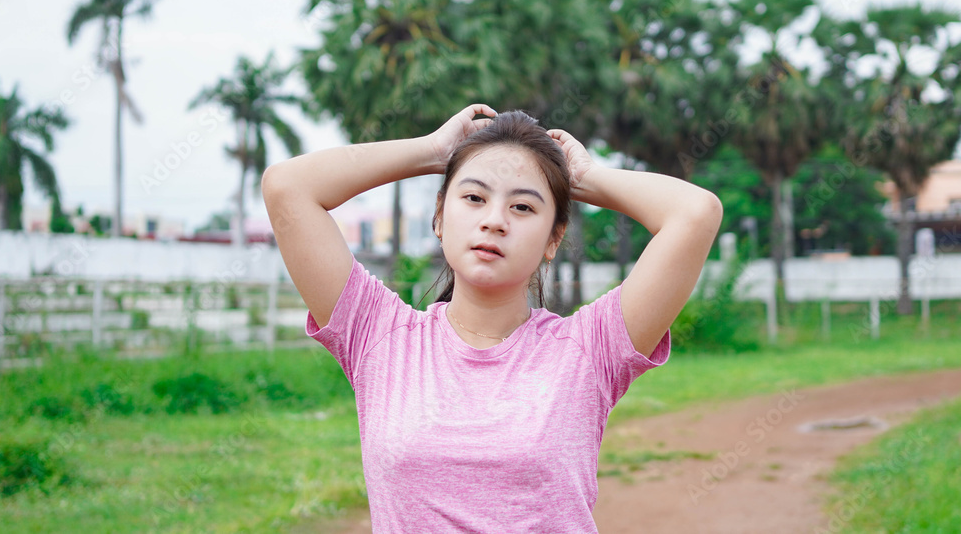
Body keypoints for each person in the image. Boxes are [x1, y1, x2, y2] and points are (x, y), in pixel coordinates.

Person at [261, 104, 723, 533]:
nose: (495, 220)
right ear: (440, 216)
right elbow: (288, 187)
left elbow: (695, 212)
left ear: (552, 239)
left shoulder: (589, 350)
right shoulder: (378, 336)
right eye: (474, 198)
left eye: (523, 206)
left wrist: (587, 176)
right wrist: (431, 152)